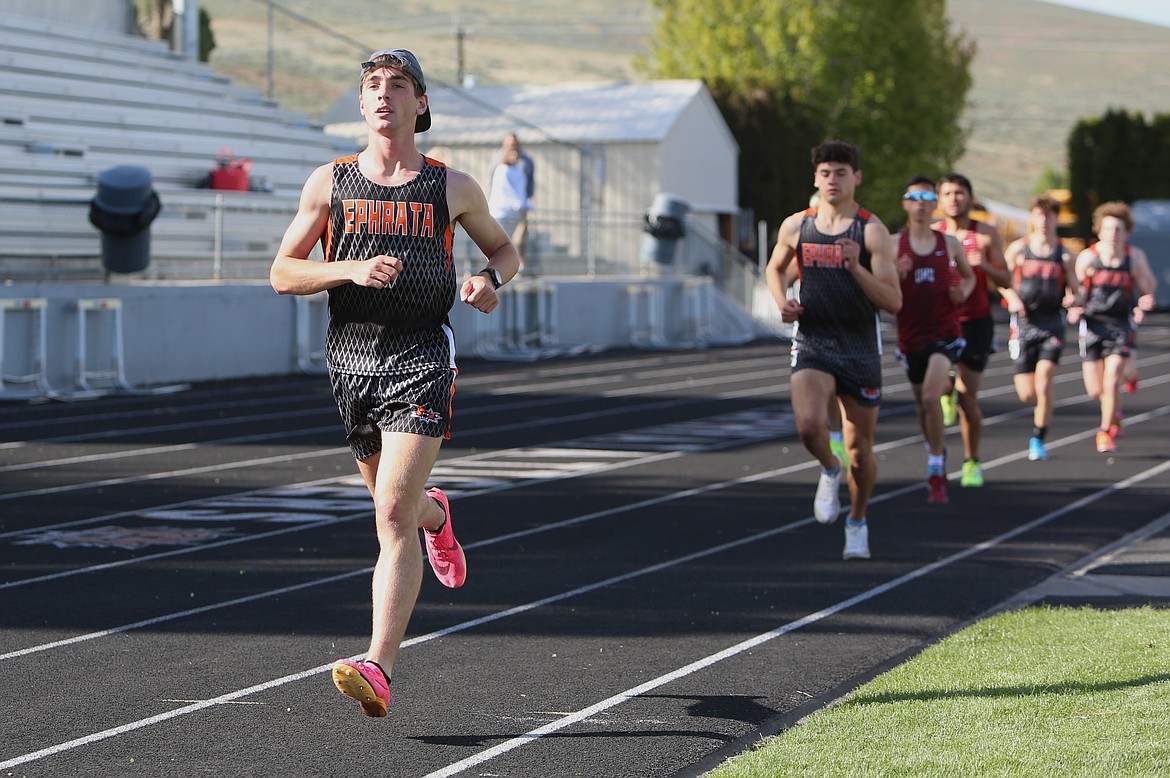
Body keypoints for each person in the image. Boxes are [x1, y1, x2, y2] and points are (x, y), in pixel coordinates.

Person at [269, 48, 520, 718]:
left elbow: (505, 249)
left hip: (420, 355)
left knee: (388, 517)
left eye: (398, 85)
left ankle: (378, 666)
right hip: (349, 361)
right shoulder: (330, 183)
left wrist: (488, 280)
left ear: (421, 105)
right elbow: (282, 272)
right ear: (361, 104)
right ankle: (437, 515)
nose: (384, 94)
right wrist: (346, 270)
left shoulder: (452, 186)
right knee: (399, 507)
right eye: (372, 85)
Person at [766, 140, 901, 560]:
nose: (832, 180)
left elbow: (893, 301)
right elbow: (774, 268)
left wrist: (856, 266)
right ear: (815, 179)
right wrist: (781, 301)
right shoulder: (797, 225)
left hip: (859, 349)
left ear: (856, 177)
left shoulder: (871, 230)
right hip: (813, 341)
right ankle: (828, 467)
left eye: (840, 172)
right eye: (825, 173)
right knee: (809, 427)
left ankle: (857, 520)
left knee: (861, 452)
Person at [893, 177, 974, 504]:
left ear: (934, 203)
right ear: (906, 203)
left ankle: (937, 469)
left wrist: (962, 293)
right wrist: (894, 274)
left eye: (928, 197)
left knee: (929, 398)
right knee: (921, 405)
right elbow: (876, 285)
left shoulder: (949, 243)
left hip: (944, 331)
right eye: (915, 198)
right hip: (910, 336)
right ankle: (934, 449)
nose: (922, 203)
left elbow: (969, 277)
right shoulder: (890, 243)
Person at [937, 174, 1011, 487]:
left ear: (970, 198)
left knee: (969, 400)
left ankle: (971, 461)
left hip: (976, 322)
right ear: (940, 200)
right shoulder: (932, 235)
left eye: (960, 193)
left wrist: (985, 267)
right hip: (939, 321)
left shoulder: (985, 234)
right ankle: (946, 389)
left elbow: (1006, 279)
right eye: (948, 193)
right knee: (934, 384)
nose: (954, 198)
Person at [1068, 201, 1157, 453]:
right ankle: (1115, 409)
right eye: (1108, 229)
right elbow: (1076, 291)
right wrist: (1074, 304)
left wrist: (1144, 301)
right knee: (1096, 390)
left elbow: (1148, 288)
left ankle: (1104, 432)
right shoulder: (1088, 258)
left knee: (1111, 379)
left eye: (1118, 229)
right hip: (1093, 324)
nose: (1113, 234)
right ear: (1099, 231)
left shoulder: (1134, 257)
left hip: (1120, 324)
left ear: (1126, 233)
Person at [999, 194, 1079, 461]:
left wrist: (1073, 300)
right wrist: (1010, 296)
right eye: (1039, 214)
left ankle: (1038, 438)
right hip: (1023, 325)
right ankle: (1037, 421)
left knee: (1044, 382)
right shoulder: (1018, 249)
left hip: (1051, 325)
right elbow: (1001, 279)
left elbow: (1076, 290)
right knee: (1027, 394)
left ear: (1056, 218)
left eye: (1049, 215)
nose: (1044, 220)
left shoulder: (1065, 255)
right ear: (1032, 217)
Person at [487, 133, 535, 269]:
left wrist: (523, 204)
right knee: (501, 243)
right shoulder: (501, 169)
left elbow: (525, 187)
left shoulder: (522, 165)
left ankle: (518, 265)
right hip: (503, 212)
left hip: (518, 211)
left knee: (519, 240)